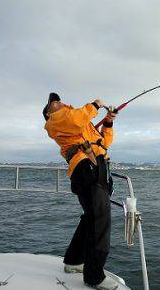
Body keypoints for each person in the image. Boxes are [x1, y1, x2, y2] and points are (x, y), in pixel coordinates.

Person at [43, 92, 118, 290]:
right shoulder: (57, 122)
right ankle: (94, 277)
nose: (60, 103)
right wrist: (95, 105)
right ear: (49, 113)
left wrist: (108, 123)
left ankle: (74, 261)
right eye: (54, 103)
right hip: (86, 168)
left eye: (59, 101)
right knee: (100, 220)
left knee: (91, 218)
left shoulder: (80, 122)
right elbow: (75, 120)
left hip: (99, 168)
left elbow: (105, 143)